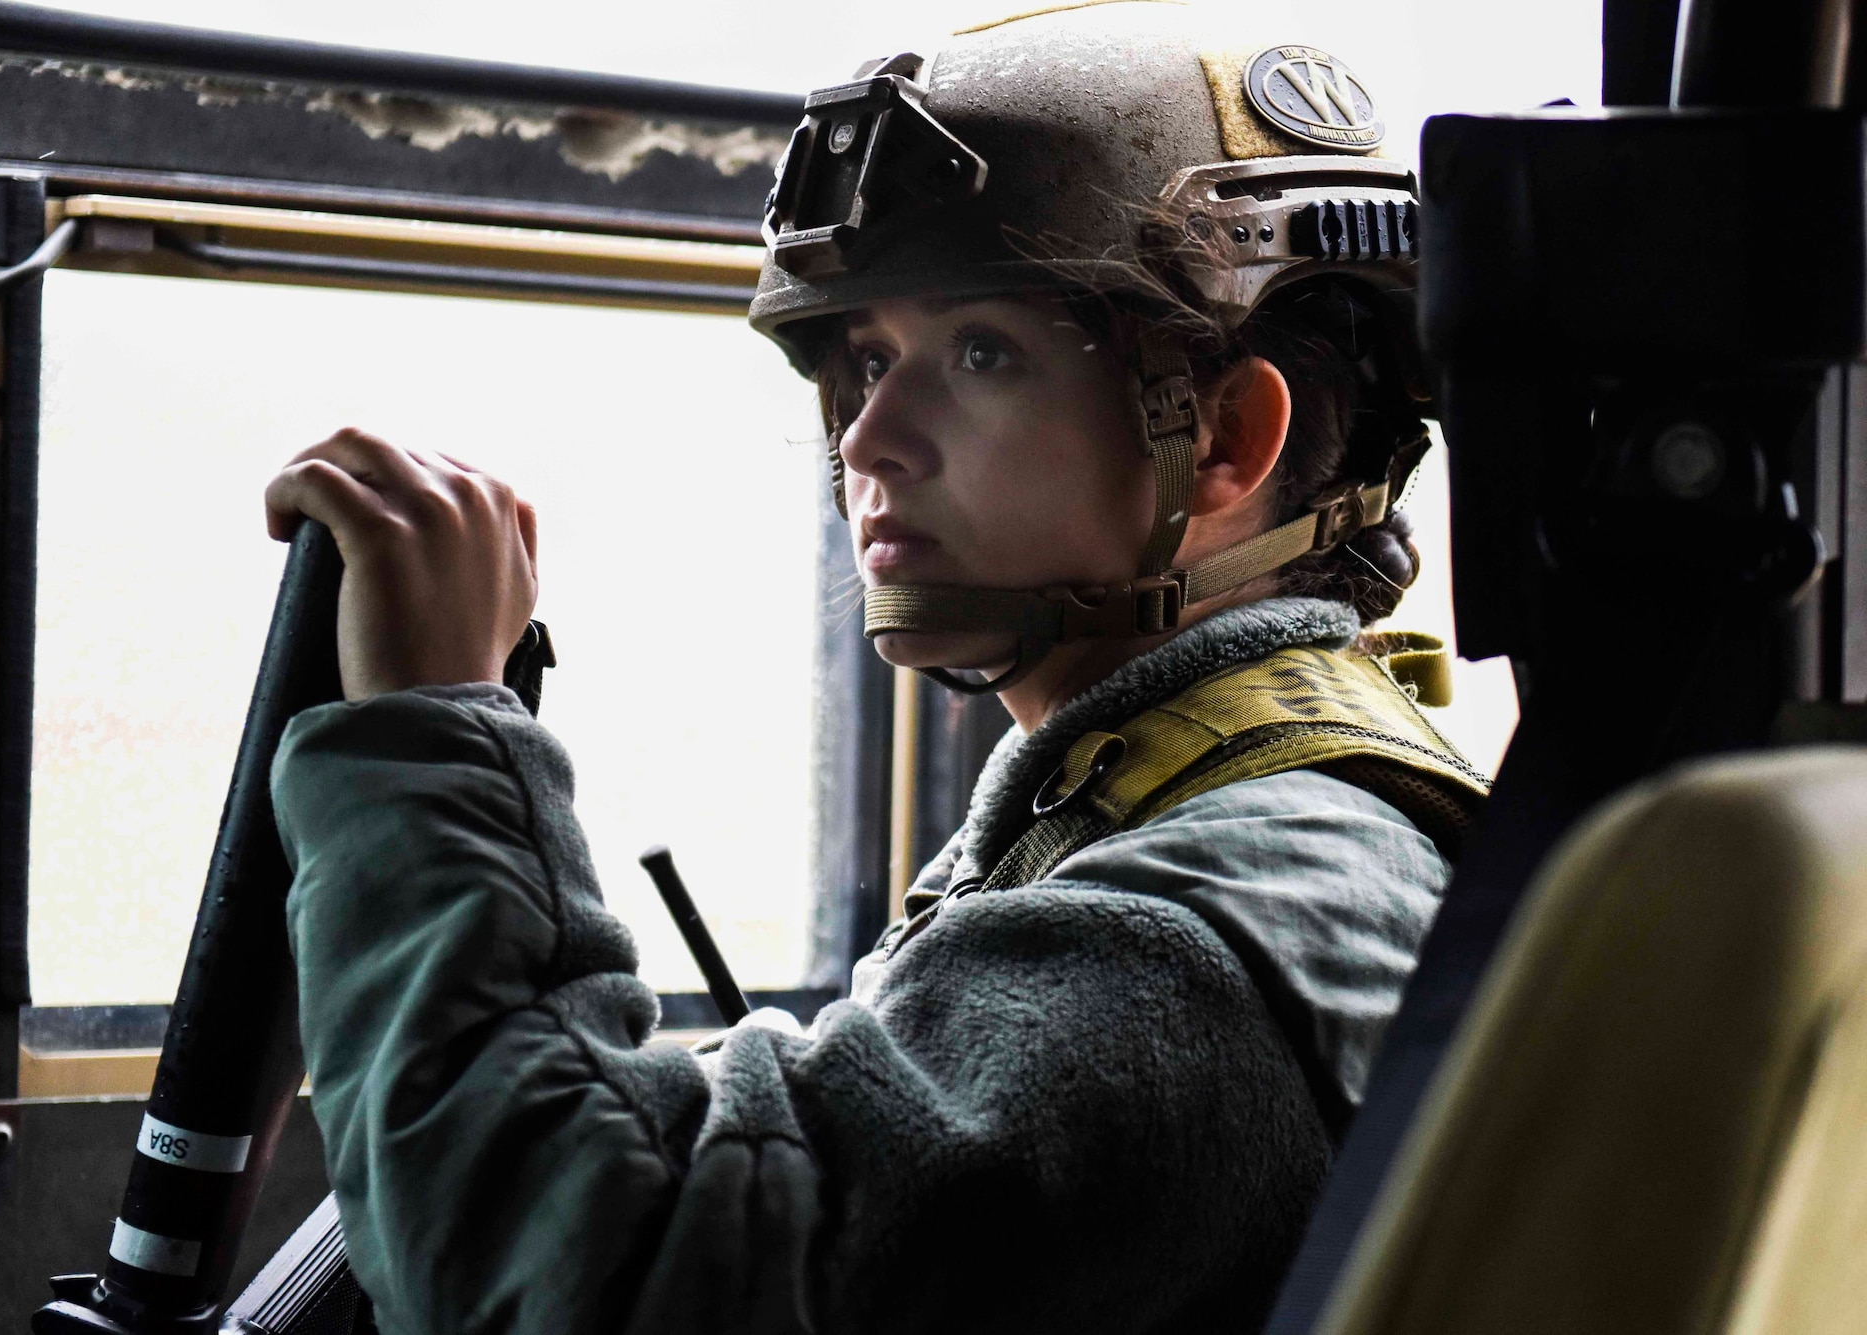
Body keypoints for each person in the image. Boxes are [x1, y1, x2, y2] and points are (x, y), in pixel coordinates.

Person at [263, 5, 1489, 1331]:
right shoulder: (1159, 807)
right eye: (866, 361)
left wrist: (438, 727)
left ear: (1231, 439)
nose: (872, 441)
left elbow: (570, 1285)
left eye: (980, 354)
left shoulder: (1205, 934)